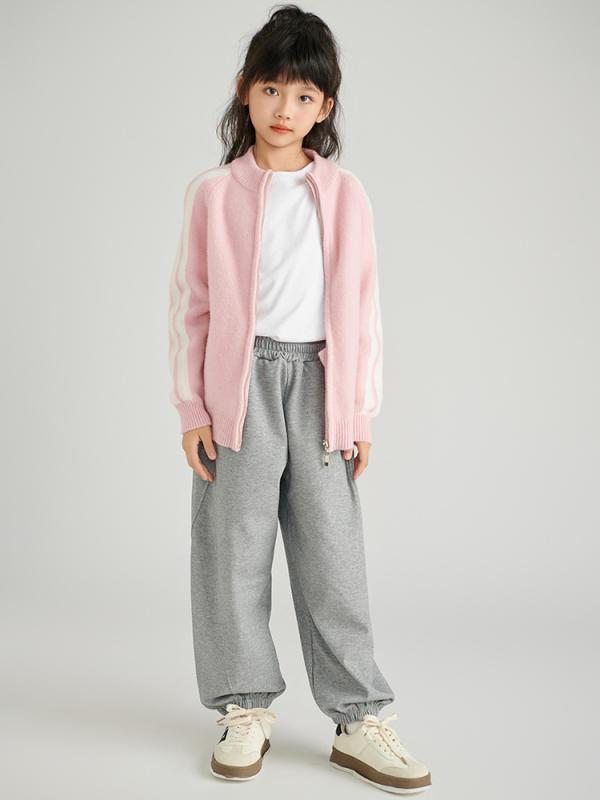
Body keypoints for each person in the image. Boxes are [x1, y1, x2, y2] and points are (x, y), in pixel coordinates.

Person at [167, 4, 432, 793]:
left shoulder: (346, 194)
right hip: (238, 385)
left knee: (333, 557)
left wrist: (359, 407)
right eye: (272, 89)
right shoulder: (213, 194)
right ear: (244, 90)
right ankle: (243, 706)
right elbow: (190, 308)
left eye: (305, 95)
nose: (286, 108)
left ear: (326, 107)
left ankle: (358, 718)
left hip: (321, 385)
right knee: (232, 553)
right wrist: (192, 409)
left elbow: (364, 307)